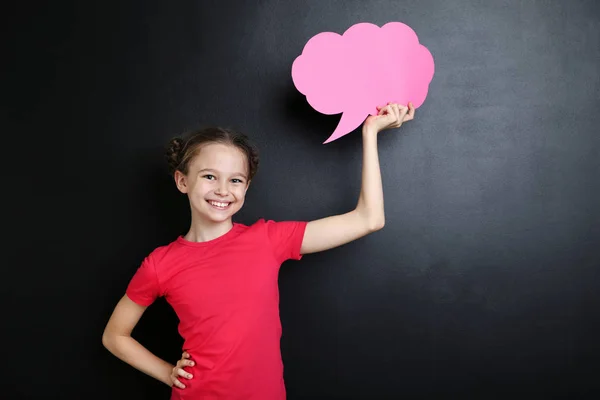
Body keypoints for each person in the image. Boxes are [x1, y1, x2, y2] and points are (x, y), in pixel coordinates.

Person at [102, 102, 415, 399]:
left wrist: (370, 132)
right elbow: (115, 335)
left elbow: (369, 218)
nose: (223, 190)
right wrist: (168, 373)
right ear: (183, 181)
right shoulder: (160, 264)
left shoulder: (268, 239)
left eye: (235, 180)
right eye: (209, 176)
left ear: (246, 187)